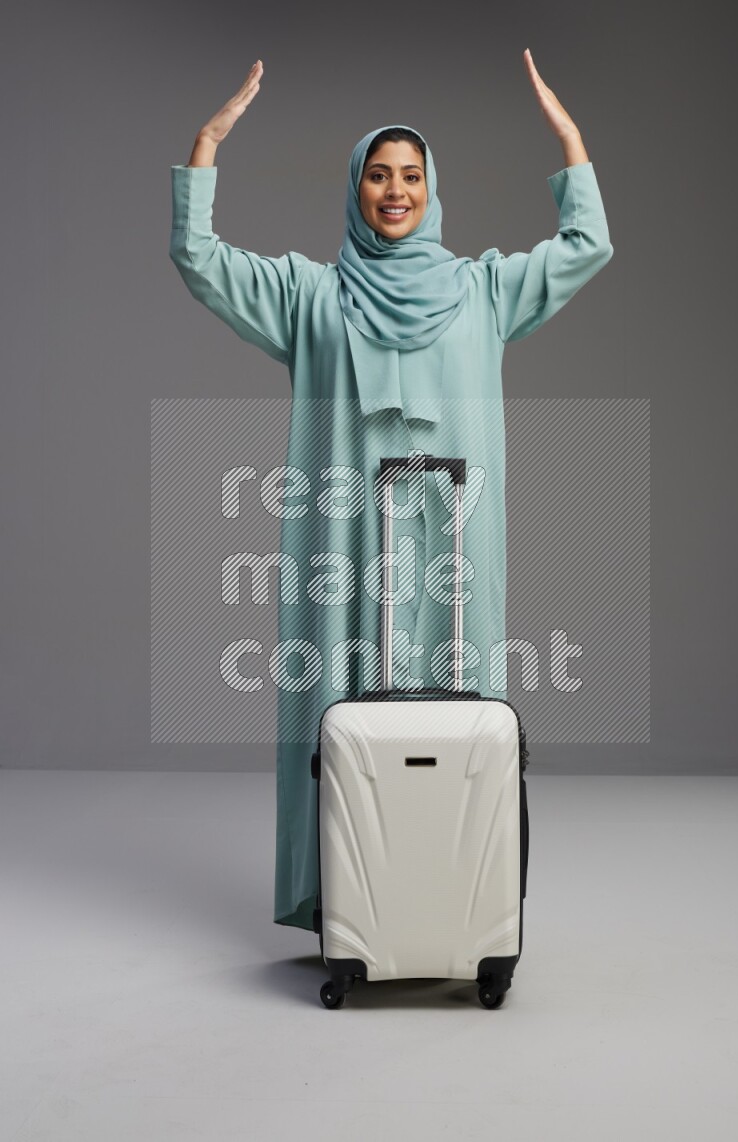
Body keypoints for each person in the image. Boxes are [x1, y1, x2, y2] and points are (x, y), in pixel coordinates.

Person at [169, 52, 614, 933]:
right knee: (341, 715)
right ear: (357, 189)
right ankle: (348, 906)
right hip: (344, 550)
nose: (396, 191)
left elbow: (585, 247)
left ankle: (457, 907)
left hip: (452, 552)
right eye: (379, 175)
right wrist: (207, 145)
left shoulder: (482, 290)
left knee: (459, 717)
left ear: (431, 188)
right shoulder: (312, 296)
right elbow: (200, 258)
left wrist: (568, 143)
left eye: (411, 176)